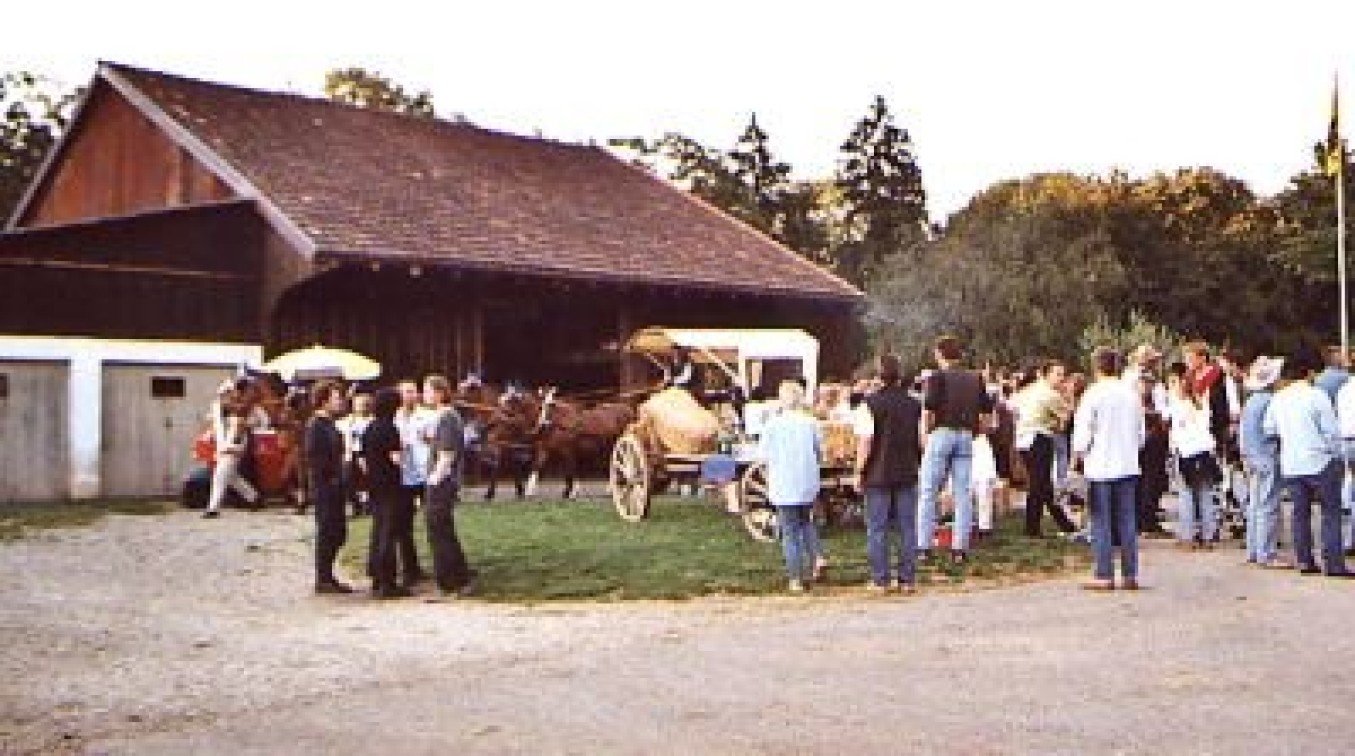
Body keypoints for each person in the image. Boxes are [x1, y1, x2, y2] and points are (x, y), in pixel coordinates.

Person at [1263, 347, 1353, 577]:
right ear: (1310, 373)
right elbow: (1332, 432)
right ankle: (1333, 563)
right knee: (1330, 513)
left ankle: (1304, 560)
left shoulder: (1278, 399)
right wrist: (1336, 456)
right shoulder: (1317, 396)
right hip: (1320, 461)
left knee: (1299, 513)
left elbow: (1269, 429)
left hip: (1291, 463)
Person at [1072, 347, 1146, 591]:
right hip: (1127, 464)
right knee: (1127, 519)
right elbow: (1140, 434)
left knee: (1101, 520)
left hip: (1100, 465)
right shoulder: (1131, 394)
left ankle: (1103, 573)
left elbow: (1083, 435)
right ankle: (1130, 573)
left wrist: (1079, 455)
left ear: (1096, 367)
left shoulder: (1092, 395)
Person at [917, 336, 994, 563]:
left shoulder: (936, 377)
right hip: (965, 435)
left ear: (940, 354)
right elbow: (987, 411)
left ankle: (924, 545)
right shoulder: (975, 378)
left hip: (942, 432)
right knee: (963, 493)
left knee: (929, 491)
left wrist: (926, 433)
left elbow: (928, 409)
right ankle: (959, 547)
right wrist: (979, 430)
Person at [852, 354, 922, 593]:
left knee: (878, 528)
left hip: (878, 472)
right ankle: (907, 579)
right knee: (907, 527)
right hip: (907, 469)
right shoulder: (914, 404)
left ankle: (881, 579)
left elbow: (866, 442)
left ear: (878, 377)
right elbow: (921, 440)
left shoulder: (868, 404)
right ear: (900, 375)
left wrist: (858, 471)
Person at [758, 379, 823, 593]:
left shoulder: (772, 425)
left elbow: (763, 455)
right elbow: (819, 450)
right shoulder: (811, 422)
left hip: (784, 481)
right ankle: (817, 557)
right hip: (806, 480)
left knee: (789, 531)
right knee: (806, 522)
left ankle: (795, 578)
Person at [423, 375, 476, 596]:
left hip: (442, 482)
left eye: (426, 390)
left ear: (440, 393)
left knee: (439, 531)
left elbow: (447, 455)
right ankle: (458, 576)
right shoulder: (444, 416)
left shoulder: (447, 418)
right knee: (443, 530)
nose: (423, 395)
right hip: (443, 481)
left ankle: (450, 581)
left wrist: (434, 479)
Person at [1011, 360, 1076, 538]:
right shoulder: (1050, 395)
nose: (1061, 379)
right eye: (1058, 374)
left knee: (1042, 484)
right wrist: (1069, 397)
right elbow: (1066, 420)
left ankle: (1063, 522)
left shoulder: (1031, 389)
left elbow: (1013, 406)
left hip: (1024, 439)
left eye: (1063, 375)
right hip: (1039, 438)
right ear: (1046, 374)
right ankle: (1032, 528)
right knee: (1039, 485)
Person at [361, 388, 410, 599]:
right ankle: (387, 581)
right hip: (390, 484)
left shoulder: (369, 428)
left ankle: (375, 575)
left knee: (378, 528)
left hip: (374, 483)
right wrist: (404, 451)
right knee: (388, 532)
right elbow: (396, 459)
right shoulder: (390, 429)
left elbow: (363, 458)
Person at [305, 380, 352, 594]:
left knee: (337, 531)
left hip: (336, 484)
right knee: (327, 530)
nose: (340, 401)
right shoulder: (316, 426)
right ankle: (322, 577)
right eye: (336, 398)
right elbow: (316, 458)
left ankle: (327, 574)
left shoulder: (331, 424)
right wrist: (329, 479)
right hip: (326, 486)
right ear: (324, 400)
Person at [1166, 363, 1221, 549]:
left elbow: (1171, 424)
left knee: (1186, 494)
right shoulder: (1201, 401)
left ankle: (1188, 536)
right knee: (1205, 493)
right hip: (1204, 449)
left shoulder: (1176, 404)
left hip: (1185, 451)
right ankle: (1208, 535)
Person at [1239, 356, 1286, 568]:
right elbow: (1272, 429)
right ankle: (1266, 552)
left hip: (1251, 455)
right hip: (1267, 455)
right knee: (1268, 505)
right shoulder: (1271, 401)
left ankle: (1253, 550)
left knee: (1255, 505)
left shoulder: (1250, 401)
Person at [392, 380, 431, 587]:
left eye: (414, 391)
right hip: (404, 475)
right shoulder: (393, 418)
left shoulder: (427, 416)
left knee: (434, 519)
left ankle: (443, 562)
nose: (412, 395)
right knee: (403, 525)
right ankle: (410, 567)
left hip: (425, 473)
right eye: (407, 392)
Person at [204, 379, 260, 518]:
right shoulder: (223, 406)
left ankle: (213, 508)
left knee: (220, 474)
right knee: (231, 476)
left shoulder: (244, 404)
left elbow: (244, 417)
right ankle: (254, 497)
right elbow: (216, 418)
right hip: (226, 441)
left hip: (235, 442)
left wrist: (237, 445)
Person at [338, 392, 374, 518]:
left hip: (368, 454)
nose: (361, 406)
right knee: (348, 480)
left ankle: (368, 504)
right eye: (358, 404)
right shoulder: (347, 421)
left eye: (364, 404)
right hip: (350, 454)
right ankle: (356, 504)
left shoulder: (372, 421)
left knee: (368, 480)